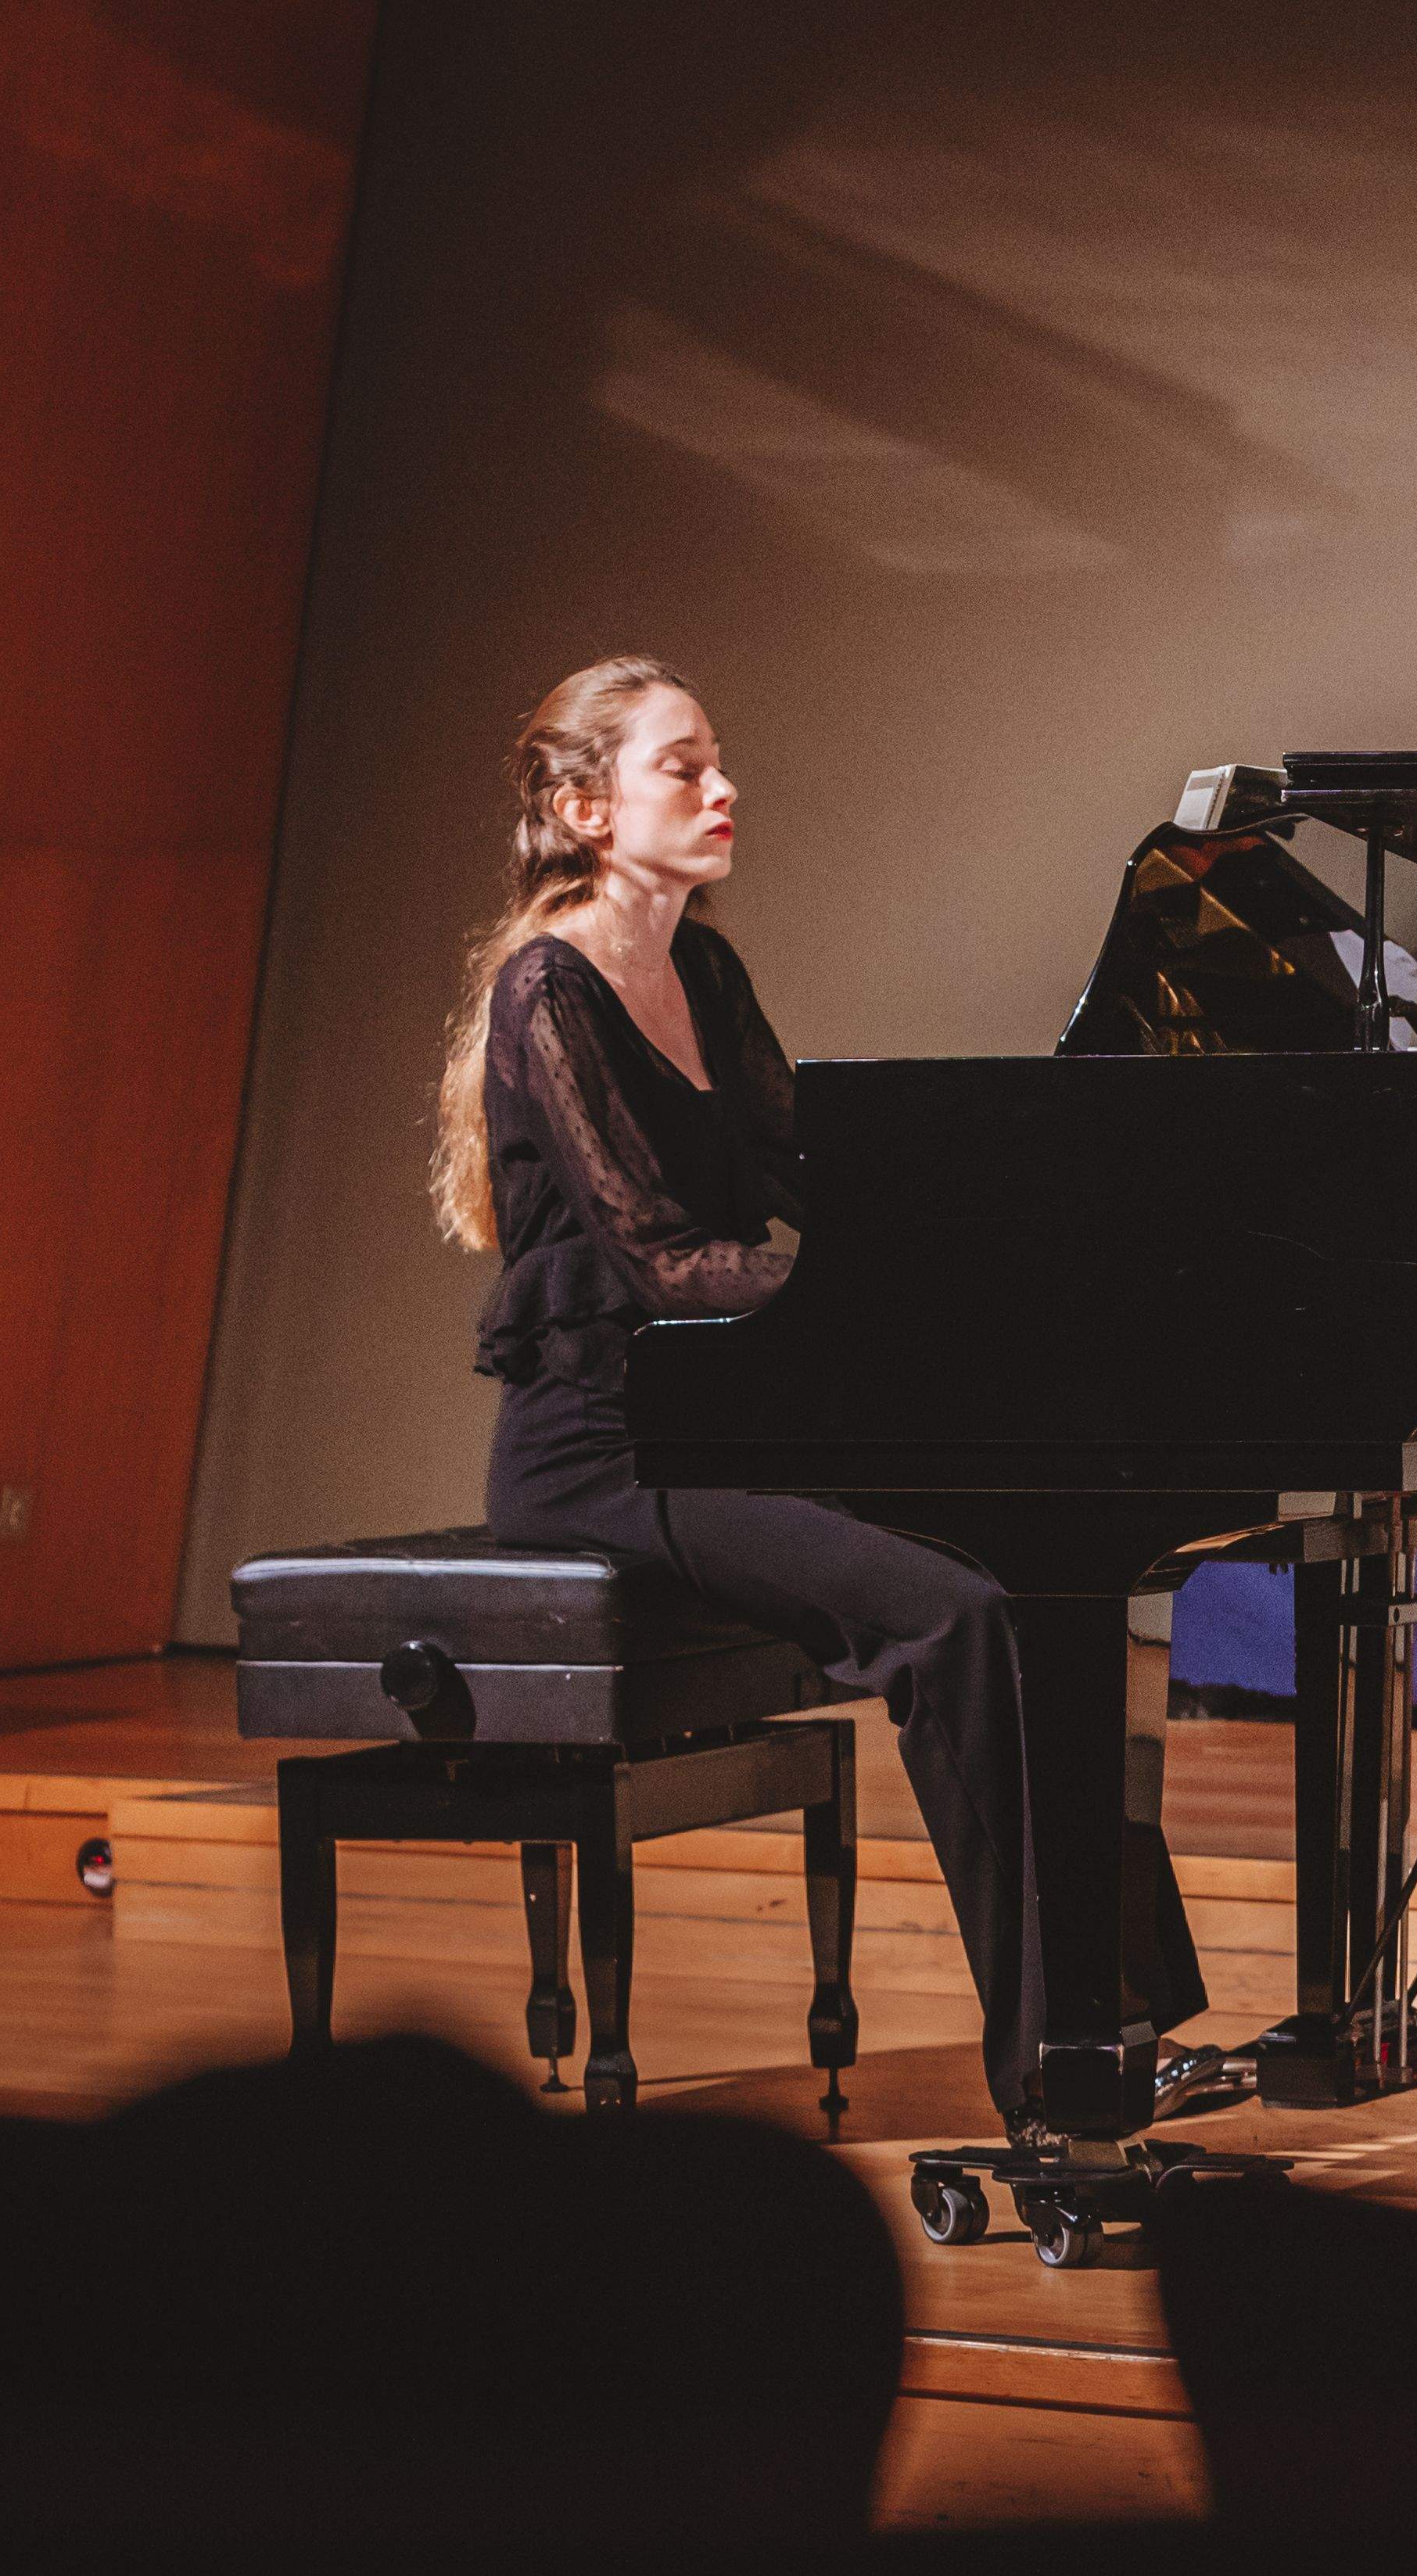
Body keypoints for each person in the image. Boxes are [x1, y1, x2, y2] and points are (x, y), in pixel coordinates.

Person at [430, 656, 1204, 2129]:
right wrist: (868, 1309)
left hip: (717, 1420)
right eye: (682, 767)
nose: (722, 789)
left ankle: (1117, 2020)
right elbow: (659, 1256)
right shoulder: (547, 985)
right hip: (601, 1449)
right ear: (587, 807)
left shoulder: (703, 972)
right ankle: (1048, 2075)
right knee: (952, 1611)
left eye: (720, 760)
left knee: (1039, 1581)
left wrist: (995, 1231)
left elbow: (817, 1175)